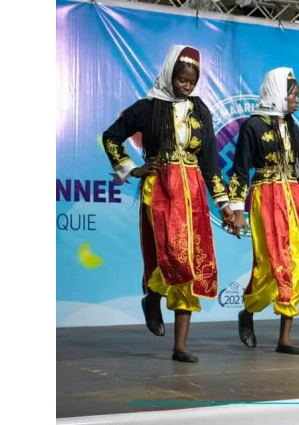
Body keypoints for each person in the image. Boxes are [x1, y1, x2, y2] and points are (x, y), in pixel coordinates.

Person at [101, 45, 232, 363]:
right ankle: (154, 296)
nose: (187, 86)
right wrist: (132, 169)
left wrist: (224, 203)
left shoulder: (201, 111)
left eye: (191, 82)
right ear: (170, 74)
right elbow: (111, 136)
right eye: (182, 80)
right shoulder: (148, 107)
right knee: (173, 256)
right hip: (160, 190)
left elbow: (211, 162)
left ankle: (181, 345)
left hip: (194, 193)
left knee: (190, 263)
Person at [226, 67, 299, 355]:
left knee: (298, 263)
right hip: (266, 197)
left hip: (294, 200)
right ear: (276, 94)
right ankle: (248, 311)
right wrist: (238, 210)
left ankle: (284, 338)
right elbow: (239, 170)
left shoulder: (293, 127)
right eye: (293, 95)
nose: (297, 101)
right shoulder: (253, 125)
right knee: (270, 266)